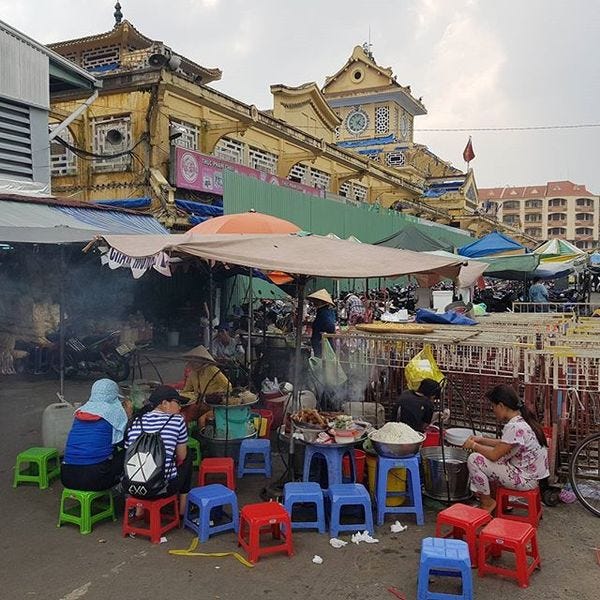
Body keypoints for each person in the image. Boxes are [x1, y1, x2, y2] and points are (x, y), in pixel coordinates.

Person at [463, 384, 549, 513]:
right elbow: (506, 443)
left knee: (474, 459)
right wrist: (482, 440)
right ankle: (502, 501)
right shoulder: (523, 420)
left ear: (501, 406)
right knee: (493, 459)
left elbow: (494, 455)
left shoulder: (514, 427)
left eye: (493, 406)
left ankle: (487, 503)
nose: (493, 410)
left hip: (526, 480)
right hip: (532, 476)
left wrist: (474, 446)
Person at [125, 385, 192, 514]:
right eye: (177, 403)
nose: (180, 407)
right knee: (188, 456)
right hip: (162, 489)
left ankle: (139, 510)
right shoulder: (177, 421)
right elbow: (181, 457)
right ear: (164, 404)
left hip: (133, 488)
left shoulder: (135, 420)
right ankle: (183, 510)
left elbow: (129, 453)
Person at [61, 378, 131, 491]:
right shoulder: (113, 413)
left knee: (106, 449)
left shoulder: (81, 412)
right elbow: (125, 444)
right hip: (96, 479)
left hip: (67, 476)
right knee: (130, 451)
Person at [179, 345, 232, 428]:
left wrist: (220, 397)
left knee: (201, 420)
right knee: (186, 415)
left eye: (195, 360)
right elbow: (186, 390)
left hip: (215, 405)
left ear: (202, 360)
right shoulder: (193, 373)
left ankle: (203, 437)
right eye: (191, 360)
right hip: (200, 403)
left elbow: (228, 386)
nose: (192, 363)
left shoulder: (212, 369)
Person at [307, 288, 336, 357]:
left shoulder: (323, 312)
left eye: (316, 301)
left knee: (323, 361)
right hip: (322, 341)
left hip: (322, 342)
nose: (314, 302)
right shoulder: (327, 311)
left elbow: (330, 326)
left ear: (321, 302)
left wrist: (323, 333)